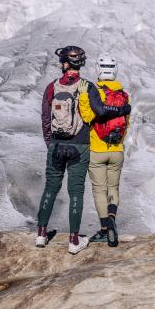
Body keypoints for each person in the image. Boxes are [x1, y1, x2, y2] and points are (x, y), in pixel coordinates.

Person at [37, 45, 130, 253]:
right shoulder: (88, 86)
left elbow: (45, 117)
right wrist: (123, 109)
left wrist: (50, 143)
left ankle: (41, 234)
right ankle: (73, 240)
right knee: (76, 192)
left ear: (64, 64)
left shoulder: (52, 87)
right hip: (81, 146)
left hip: (57, 145)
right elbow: (99, 113)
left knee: (50, 189)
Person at [83, 54, 131, 247]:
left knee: (99, 190)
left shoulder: (94, 94)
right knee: (113, 189)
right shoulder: (124, 95)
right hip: (117, 150)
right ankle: (112, 216)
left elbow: (87, 118)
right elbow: (126, 124)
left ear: (98, 70)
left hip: (97, 150)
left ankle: (104, 229)